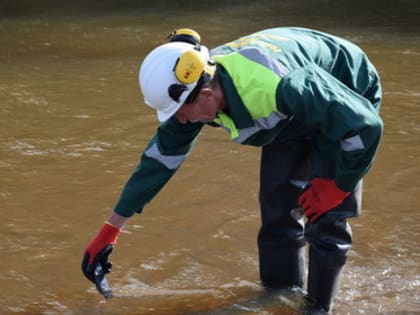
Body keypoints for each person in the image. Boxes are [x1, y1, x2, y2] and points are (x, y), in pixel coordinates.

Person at [81, 27, 383, 313]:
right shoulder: (197, 88)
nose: (181, 121)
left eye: (182, 114)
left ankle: (318, 309)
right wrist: (111, 229)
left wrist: (340, 186)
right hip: (295, 109)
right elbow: (158, 161)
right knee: (278, 208)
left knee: (325, 217)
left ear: (207, 96)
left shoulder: (273, 85)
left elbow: (364, 127)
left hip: (344, 93)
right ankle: (279, 297)